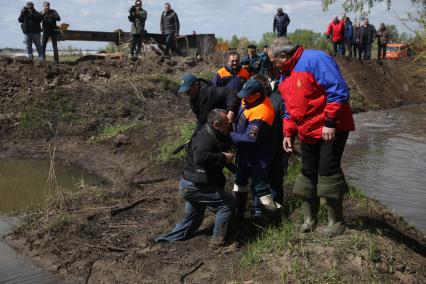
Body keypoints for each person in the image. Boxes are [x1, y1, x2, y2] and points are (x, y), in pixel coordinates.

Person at [268, 37, 355, 237]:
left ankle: (336, 222)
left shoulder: (315, 59)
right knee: (308, 172)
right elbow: (289, 110)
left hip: (330, 127)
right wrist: (287, 133)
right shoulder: (284, 76)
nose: (272, 66)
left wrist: (330, 122)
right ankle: (310, 219)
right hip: (307, 130)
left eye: (273, 61)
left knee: (328, 170)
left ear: (283, 56)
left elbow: (338, 90)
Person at [155, 109, 237, 249]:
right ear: (216, 124)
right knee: (228, 203)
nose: (229, 125)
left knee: (194, 219)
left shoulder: (213, 134)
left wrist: (236, 170)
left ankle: (163, 240)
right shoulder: (204, 138)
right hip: (195, 186)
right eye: (226, 123)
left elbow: (214, 158)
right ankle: (218, 243)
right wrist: (223, 157)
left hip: (190, 184)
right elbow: (201, 157)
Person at [231, 78, 282, 222]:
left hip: (259, 157)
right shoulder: (248, 100)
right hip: (245, 153)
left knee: (260, 187)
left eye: (247, 95)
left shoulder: (263, 112)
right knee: (239, 181)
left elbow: (250, 139)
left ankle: (266, 218)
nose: (243, 97)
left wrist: (230, 135)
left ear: (258, 94)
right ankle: (239, 211)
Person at [252, 74, 287, 207]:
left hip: (276, 148)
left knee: (275, 181)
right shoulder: (250, 100)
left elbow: (286, 122)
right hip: (257, 149)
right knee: (259, 181)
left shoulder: (278, 100)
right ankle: (259, 212)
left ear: (267, 85)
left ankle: (275, 212)